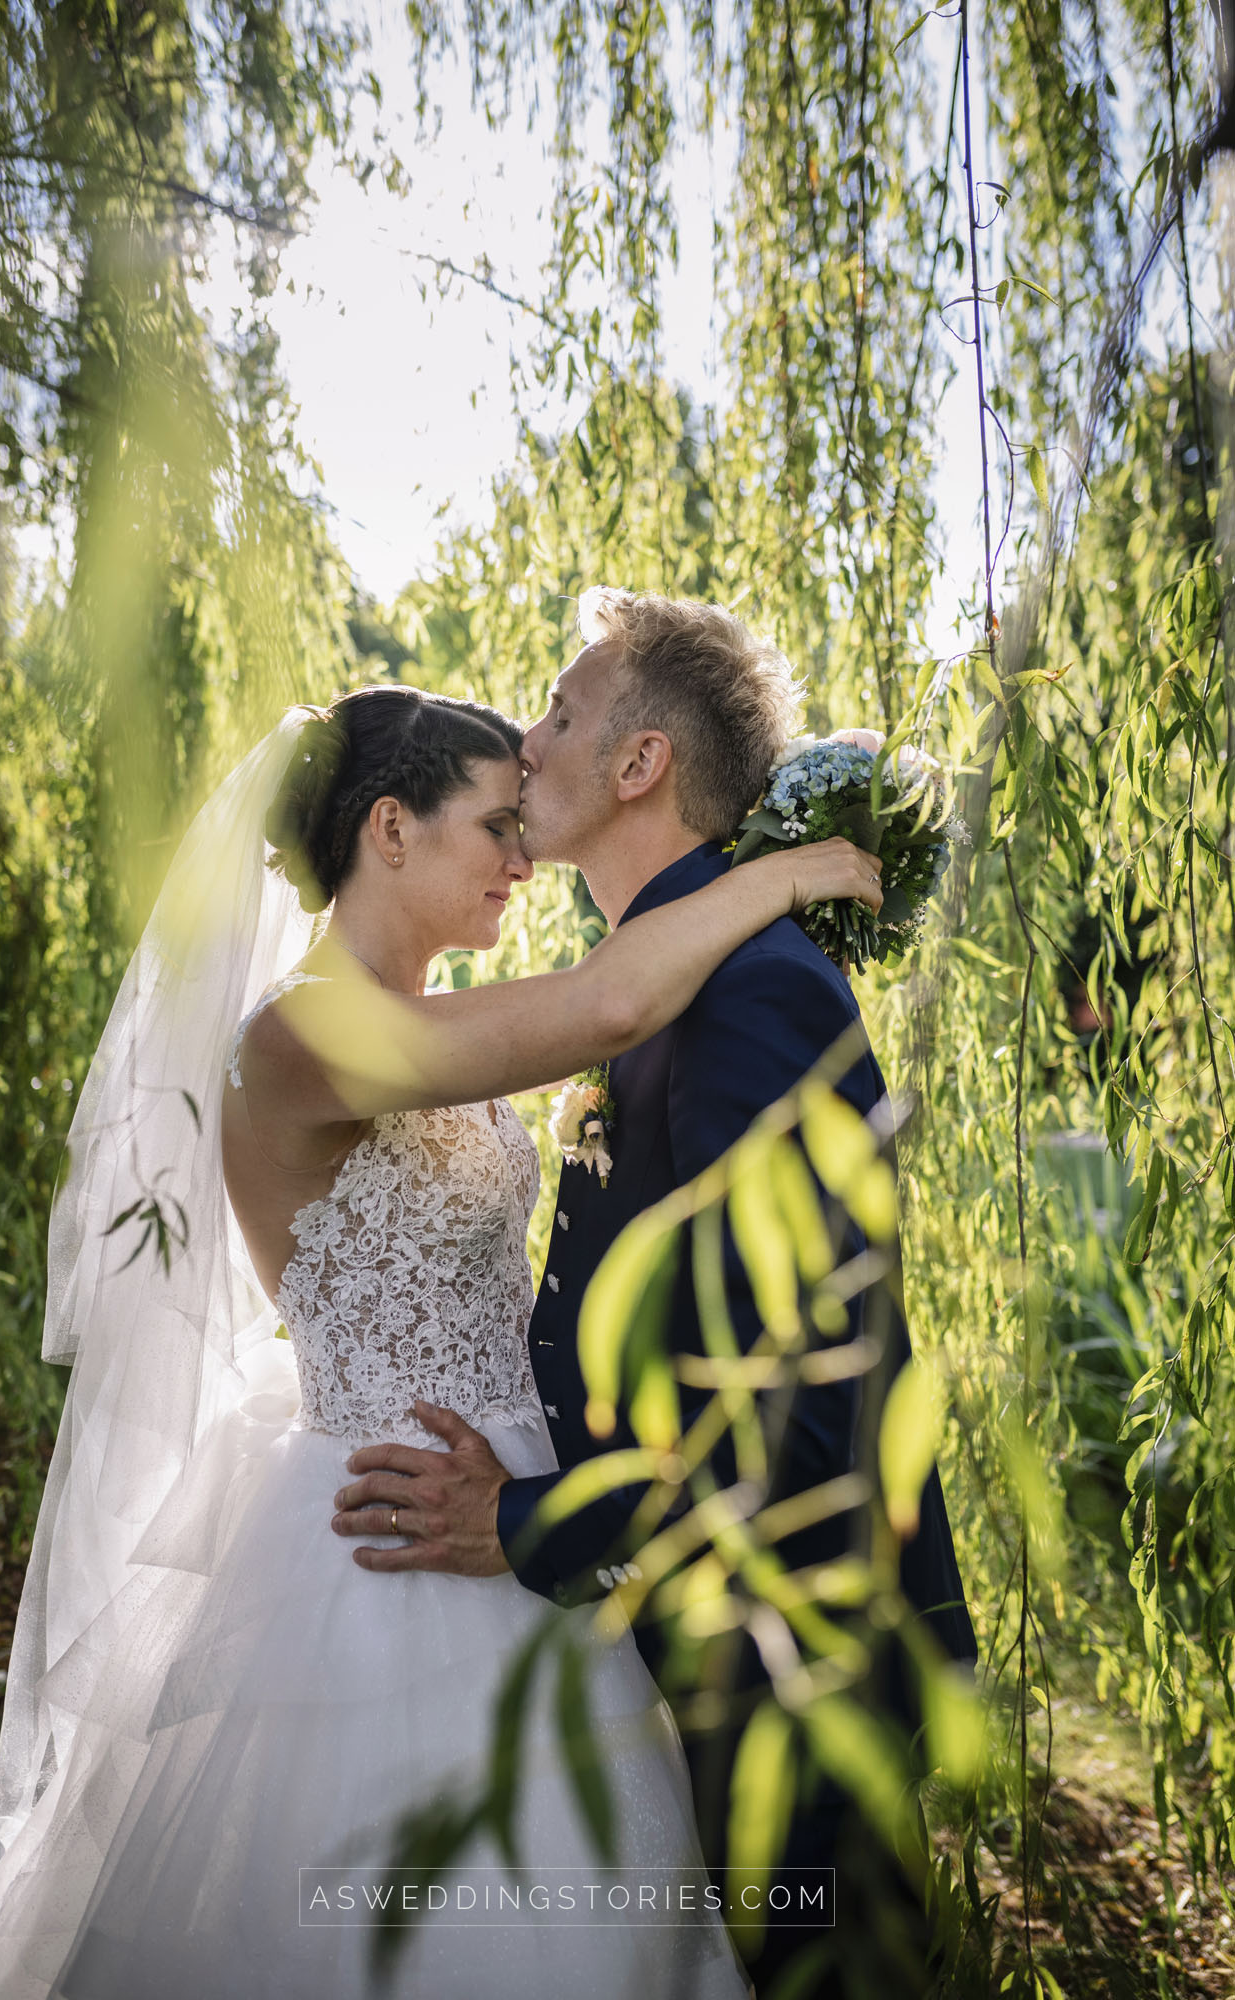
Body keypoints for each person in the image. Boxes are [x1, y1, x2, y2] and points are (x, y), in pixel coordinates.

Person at [0, 679, 883, 1999]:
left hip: (516, 1521)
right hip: (386, 1536)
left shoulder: (428, 1028)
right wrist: (783, 875)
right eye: (495, 828)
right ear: (390, 831)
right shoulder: (302, 1035)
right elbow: (607, 1006)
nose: (522, 859)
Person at [328, 592, 979, 1998]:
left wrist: (516, 1520)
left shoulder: (753, 997)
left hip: (794, 1695)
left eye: (560, 710)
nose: (525, 735)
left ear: (639, 765)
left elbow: (789, 1425)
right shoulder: (669, 984)